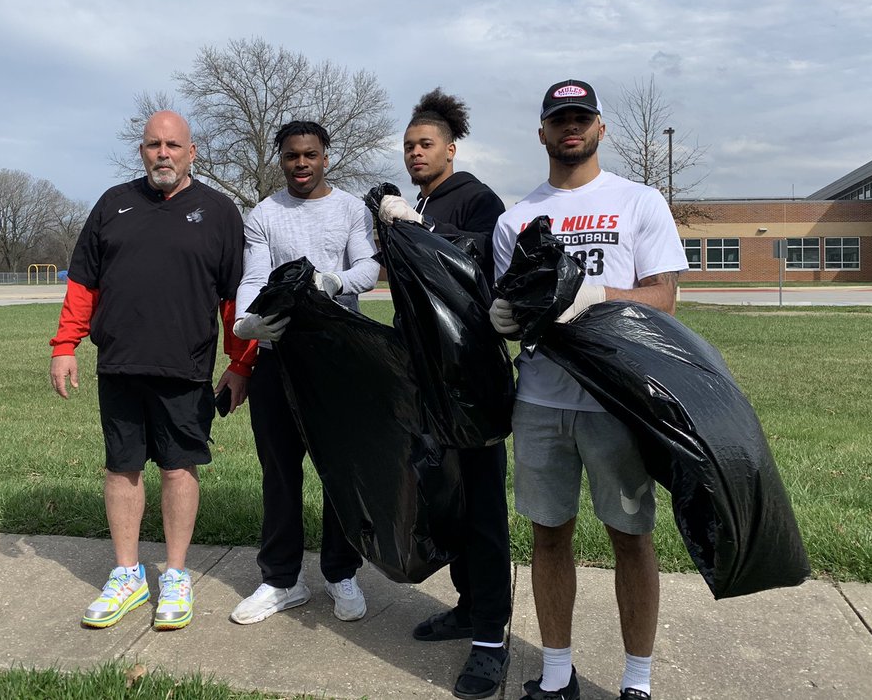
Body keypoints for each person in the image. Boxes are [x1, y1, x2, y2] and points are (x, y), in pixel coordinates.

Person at [489, 80, 687, 700]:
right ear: (542, 133)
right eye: (559, 119)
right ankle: (556, 673)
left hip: (616, 401)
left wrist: (598, 296)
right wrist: (504, 317)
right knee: (549, 535)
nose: (570, 127)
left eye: (581, 117)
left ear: (601, 128)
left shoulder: (638, 201)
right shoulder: (515, 218)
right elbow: (510, 302)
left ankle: (637, 681)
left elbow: (664, 298)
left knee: (631, 537)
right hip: (540, 399)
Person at [49, 111, 256, 632]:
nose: (163, 153)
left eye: (173, 145)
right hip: (119, 363)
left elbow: (235, 298)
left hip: (185, 368)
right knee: (121, 467)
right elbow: (83, 283)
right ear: (141, 151)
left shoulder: (219, 212)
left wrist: (240, 363)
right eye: (153, 145)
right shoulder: (112, 204)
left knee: (178, 469)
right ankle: (127, 575)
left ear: (191, 152)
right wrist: (65, 344)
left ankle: (177, 574)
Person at [377, 89, 512, 700]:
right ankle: (467, 606)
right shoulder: (422, 202)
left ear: (451, 149)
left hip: (469, 381)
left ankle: (490, 638)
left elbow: (477, 264)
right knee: (447, 502)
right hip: (423, 378)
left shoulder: (478, 198)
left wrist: (418, 228)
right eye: (408, 146)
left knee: (482, 510)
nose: (415, 153)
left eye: (425, 144)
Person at [229, 121, 381, 626]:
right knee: (279, 472)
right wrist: (247, 321)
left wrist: (332, 280)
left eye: (309, 155)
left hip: (338, 357)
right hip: (278, 358)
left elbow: (368, 268)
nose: (301, 164)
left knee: (340, 469)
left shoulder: (351, 209)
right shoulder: (263, 214)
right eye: (292, 155)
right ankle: (281, 579)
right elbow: (254, 276)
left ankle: (341, 572)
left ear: (325, 157)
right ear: (282, 159)